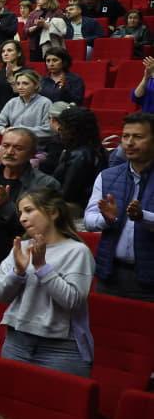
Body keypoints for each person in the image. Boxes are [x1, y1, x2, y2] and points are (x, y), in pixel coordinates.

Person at [0, 190, 95, 377]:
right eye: (20, 213)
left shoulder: (77, 251)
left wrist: (41, 267)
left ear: (53, 212)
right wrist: (18, 273)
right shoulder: (21, 247)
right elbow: (0, 294)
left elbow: (72, 301)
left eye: (29, 210)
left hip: (60, 348)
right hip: (17, 341)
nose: (23, 218)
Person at [0, 128, 59, 271]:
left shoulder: (46, 184)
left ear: (32, 153)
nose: (9, 152)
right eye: (5, 146)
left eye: (18, 148)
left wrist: (5, 207)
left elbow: (45, 226)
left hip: (23, 255)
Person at [83, 112, 154, 300]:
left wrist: (142, 217)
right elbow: (88, 220)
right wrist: (107, 219)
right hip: (110, 274)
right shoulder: (107, 176)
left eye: (138, 137)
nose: (129, 142)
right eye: (125, 136)